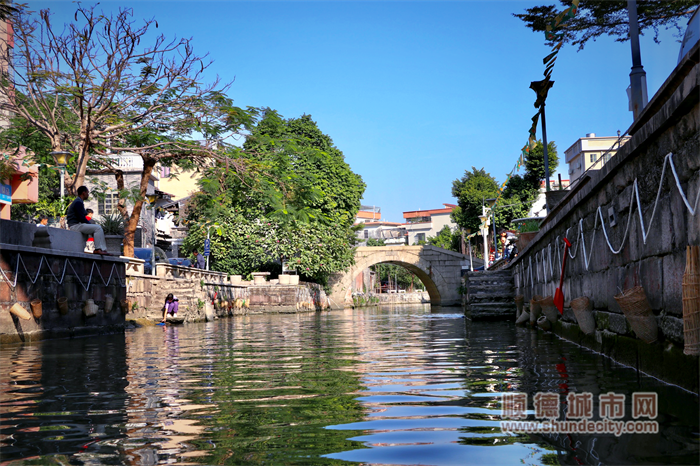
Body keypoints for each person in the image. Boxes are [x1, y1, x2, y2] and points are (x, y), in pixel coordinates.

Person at [66, 186, 110, 255]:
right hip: (75, 225)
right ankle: (99, 249)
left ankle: (100, 249)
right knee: (97, 228)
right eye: (87, 193)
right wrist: (90, 225)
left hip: (76, 225)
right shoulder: (78, 202)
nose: (88, 195)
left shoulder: (78, 201)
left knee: (94, 229)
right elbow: (81, 218)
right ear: (84, 193)